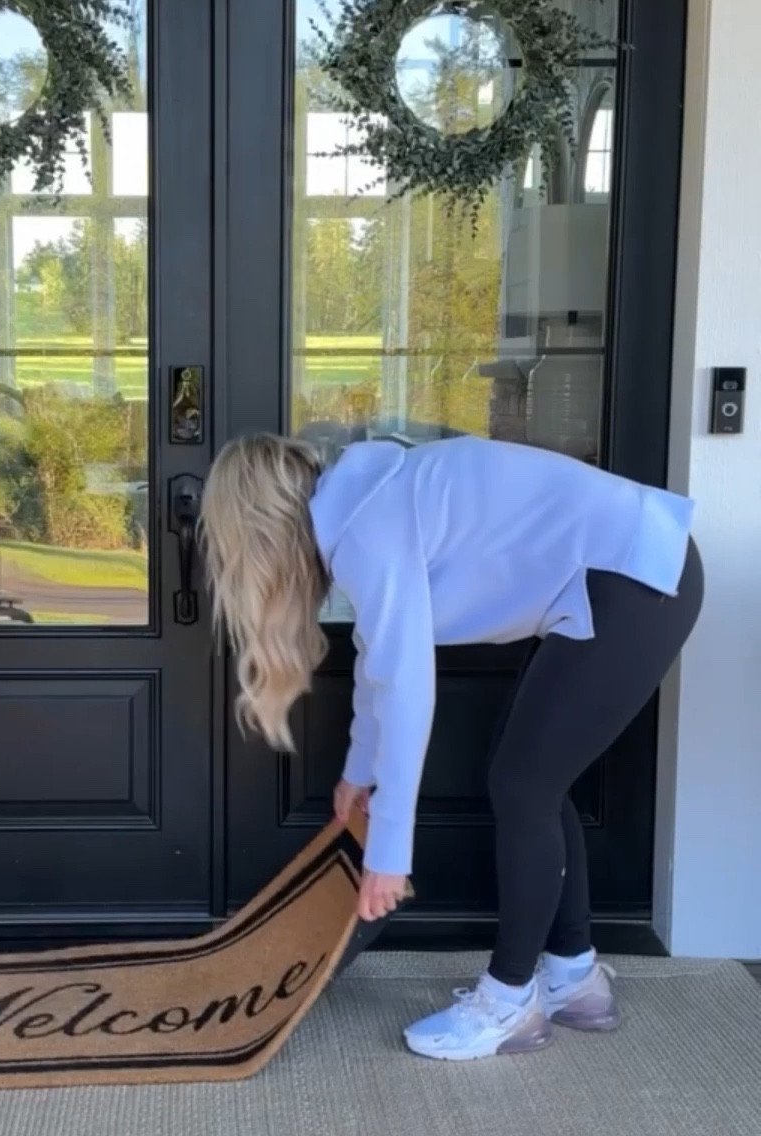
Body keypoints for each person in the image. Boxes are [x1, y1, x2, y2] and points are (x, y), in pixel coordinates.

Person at [199, 430, 703, 1063]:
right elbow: (381, 658)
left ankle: (509, 1003)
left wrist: (389, 853)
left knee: (525, 786)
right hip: (619, 571)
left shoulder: (366, 528)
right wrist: (359, 771)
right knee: (532, 781)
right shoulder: (364, 505)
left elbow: (408, 689)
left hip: (638, 573)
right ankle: (574, 978)